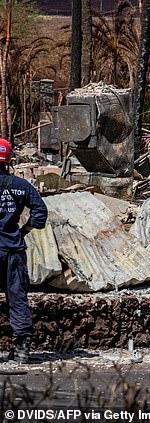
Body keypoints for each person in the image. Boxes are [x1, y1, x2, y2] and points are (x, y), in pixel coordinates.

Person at [0, 138, 47, 363]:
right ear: (9, 160)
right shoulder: (21, 186)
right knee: (17, 296)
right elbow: (40, 210)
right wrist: (24, 230)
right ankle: (22, 348)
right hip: (13, 249)